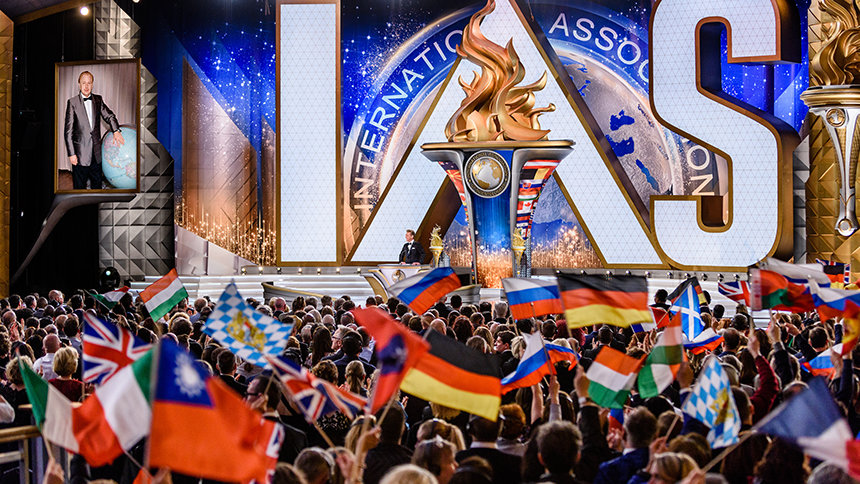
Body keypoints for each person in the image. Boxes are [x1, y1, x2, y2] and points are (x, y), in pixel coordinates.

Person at [63, 70, 125, 190]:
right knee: (79, 189)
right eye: (84, 83)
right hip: (80, 156)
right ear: (79, 84)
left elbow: (109, 116)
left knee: (97, 187)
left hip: (96, 155)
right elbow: (68, 131)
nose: (86, 86)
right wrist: (71, 154)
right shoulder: (72, 102)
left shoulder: (98, 100)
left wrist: (116, 131)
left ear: (92, 84)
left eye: (89, 83)